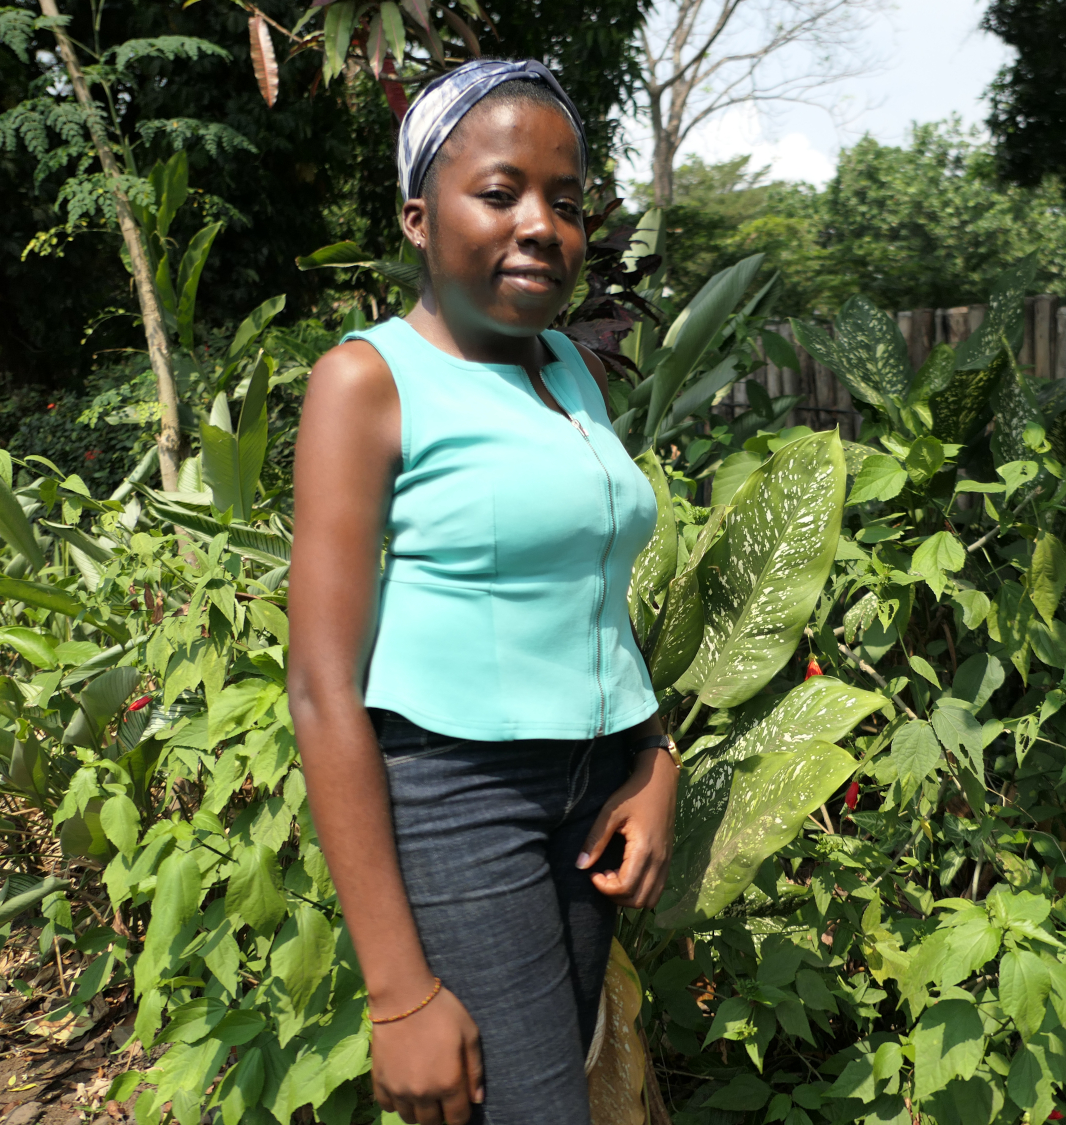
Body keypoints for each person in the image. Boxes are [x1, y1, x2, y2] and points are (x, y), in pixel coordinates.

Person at [287, 58, 680, 1125]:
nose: (542, 224)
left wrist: (657, 755)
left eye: (565, 200)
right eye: (500, 193)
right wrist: (397, 993)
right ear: (419, 217)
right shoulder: (366, 381)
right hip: (462, 798)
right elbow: (323, 687)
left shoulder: (570, 369)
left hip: (596, 796)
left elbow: (595, 588)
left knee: (572, 1086)